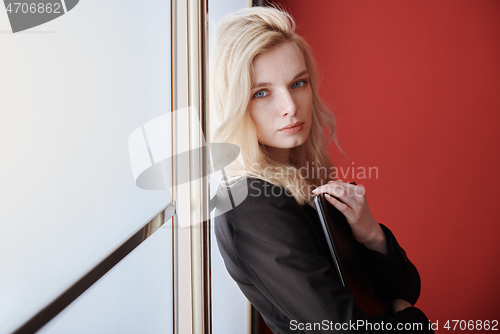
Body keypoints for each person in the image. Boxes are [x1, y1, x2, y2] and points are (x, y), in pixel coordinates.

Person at [211, 6, 432, 333]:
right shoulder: (251, 204)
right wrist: (410, 320)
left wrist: (371, 233)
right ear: (235, 103)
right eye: (262, 92)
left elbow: (405, 289)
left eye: (298, 83)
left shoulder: (301, 178)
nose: (289, 107)